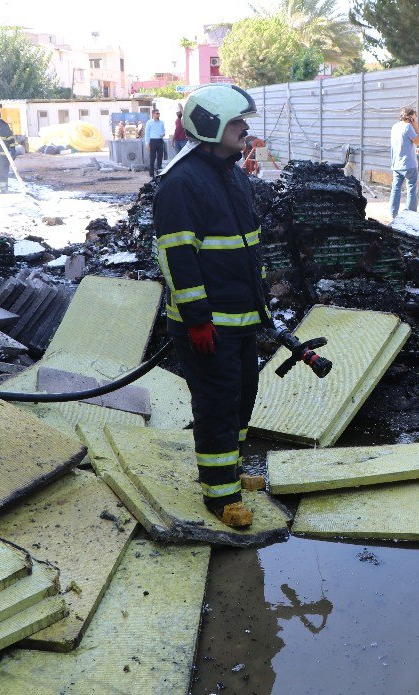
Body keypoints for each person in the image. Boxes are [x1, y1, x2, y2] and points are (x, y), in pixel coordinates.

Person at [152, 84, 269, 528]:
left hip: (240, 320)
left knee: (242, 399)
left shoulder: (231, 174)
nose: (245, 129)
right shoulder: (181, 183)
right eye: (238, 123)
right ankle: (219, 496)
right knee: (217, 405)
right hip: (208, 326)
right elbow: (177, 257)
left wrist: (262, 312)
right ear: (213, 125)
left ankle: (232, 473)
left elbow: (245, 250)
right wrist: (198, 319)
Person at [389, 107, 419, 219]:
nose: (415, 119)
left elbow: (402, 144)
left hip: (396, 164)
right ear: (411, 118)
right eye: (415, 117)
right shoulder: (409, 127)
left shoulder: (395, 126)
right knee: (412, 190)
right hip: (409, 165)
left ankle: (393, 215)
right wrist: (417, 128)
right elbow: (418, 141)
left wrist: (415, 150)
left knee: (395, 190)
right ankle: (411, 216)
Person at [145, 108, 166, 175]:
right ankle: (151, 173)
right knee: (152, 157)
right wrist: (147, 143)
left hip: (160, 140)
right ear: (153, 114)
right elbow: (147, 133)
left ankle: (159, 171)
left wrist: (163, 134)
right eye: (157, 113)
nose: (158, 115)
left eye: (159, 113)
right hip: (153, 141)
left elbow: (163, 131)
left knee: (160, 156)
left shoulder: (161, 122)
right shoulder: (149, 122)